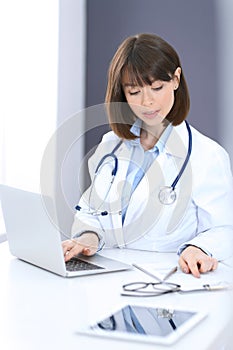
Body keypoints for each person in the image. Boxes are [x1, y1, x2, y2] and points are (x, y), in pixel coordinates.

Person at [62, 33, 233, 278]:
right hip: (104, 282)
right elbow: (90, 211)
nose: (147, 102)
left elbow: (225, 228)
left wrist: (199, 248)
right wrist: (88, 238)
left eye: (156, 87)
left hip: (166, 285)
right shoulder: (110, 146)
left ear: (175, 79)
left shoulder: (208, 155)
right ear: (122, 93)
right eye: (134, 92)